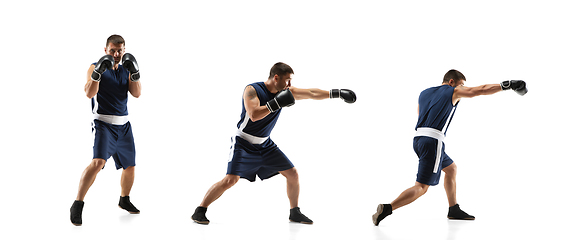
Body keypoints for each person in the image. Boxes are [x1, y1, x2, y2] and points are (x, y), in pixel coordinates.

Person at [191, 62, 356, 225]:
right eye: (287, 80)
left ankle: (295, 212)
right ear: (276, 77)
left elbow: (311, 93)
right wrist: (276, 103)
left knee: (292, 173)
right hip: (243, 142)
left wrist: (337, 93)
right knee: (230, 180)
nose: (290, 84)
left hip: (265, 145)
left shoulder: (285, 91)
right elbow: (254, 114)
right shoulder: (252, 89)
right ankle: (200, 210)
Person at [372, 69, 527, 226]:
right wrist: (506, 86)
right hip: (433, 142)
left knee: (451, 168)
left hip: (418, 139)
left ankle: (453, 209)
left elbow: (420, 114)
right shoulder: (453, 90)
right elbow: (480, 90)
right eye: (461, 85)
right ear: (452, 82)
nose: (462, 89)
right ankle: (387, 208)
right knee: (422, 187)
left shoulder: (424, 93)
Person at [70, 35, 142, 226]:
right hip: (103, 124)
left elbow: (136, 93)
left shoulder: (127, 69)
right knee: (98, 162)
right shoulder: (95, 67)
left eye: (120, 50)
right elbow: (89, 93)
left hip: (124, 125)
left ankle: (124, 199)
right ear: (106, 50)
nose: (117, 54)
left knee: (130, 166)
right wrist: (97, 74)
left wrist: (135, 73)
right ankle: (77, 204)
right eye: (113, 51)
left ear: (124, 50)